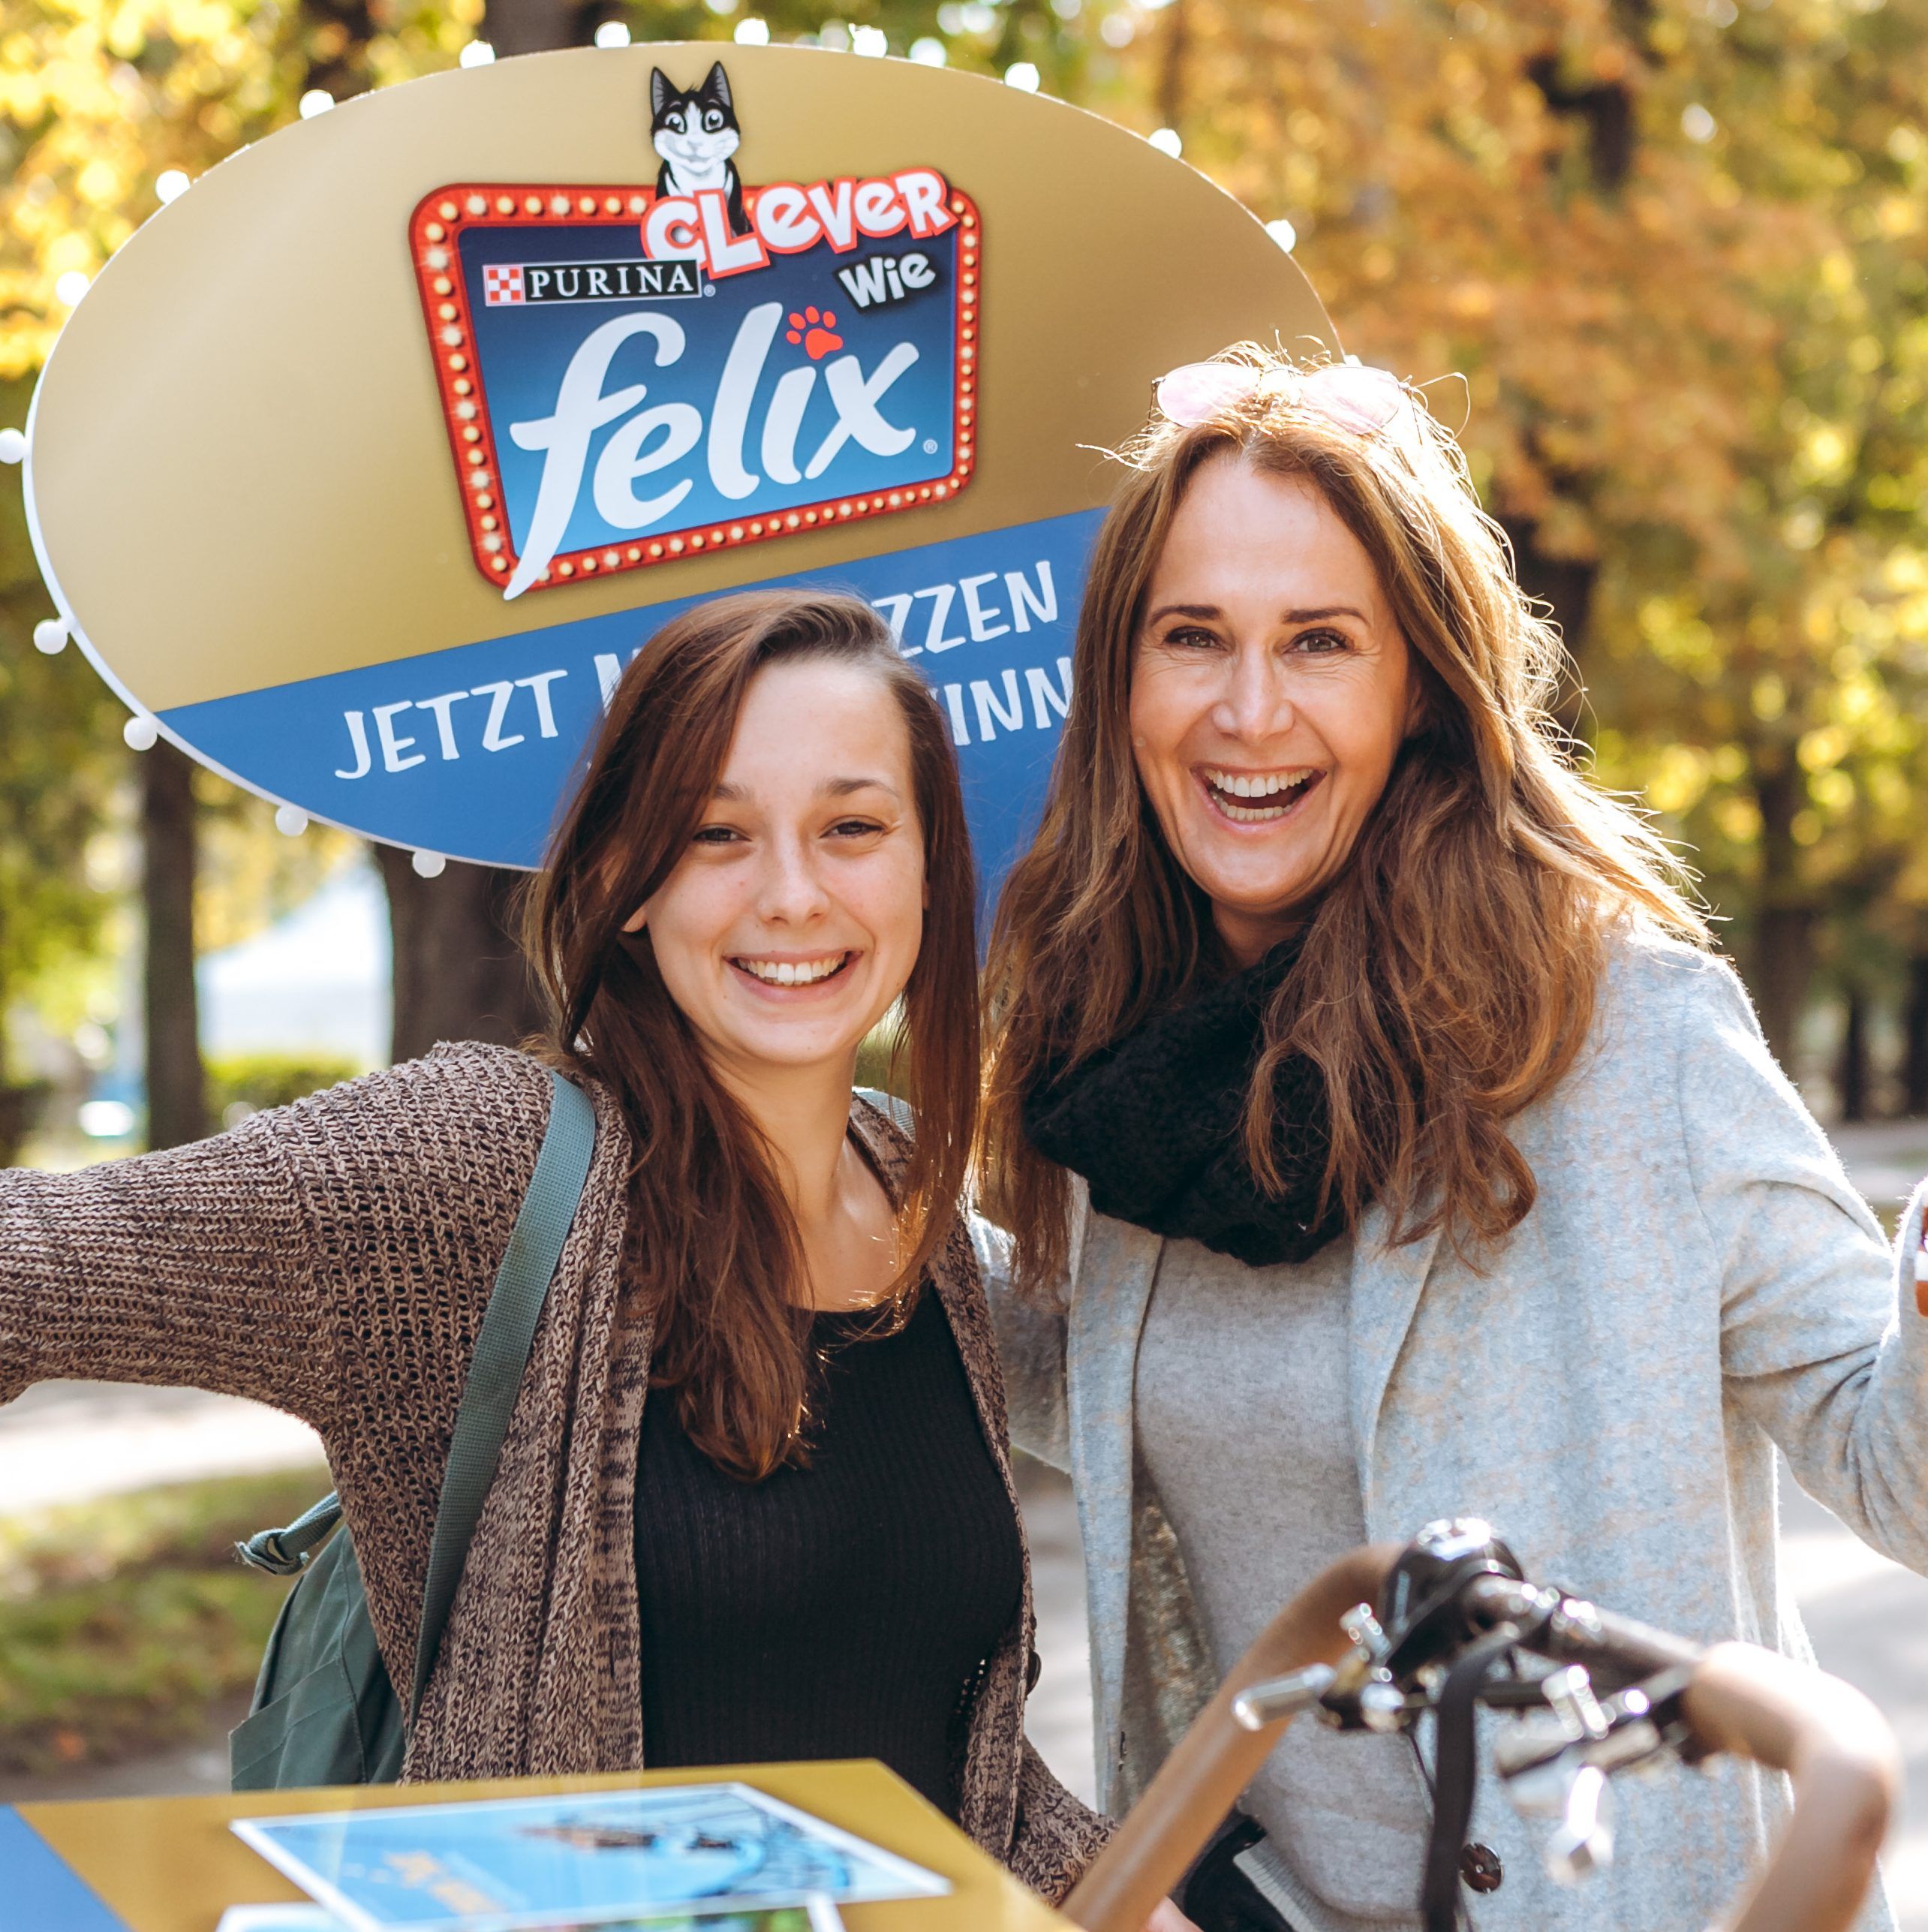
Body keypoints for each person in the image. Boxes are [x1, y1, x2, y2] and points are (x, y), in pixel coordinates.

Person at [975, 351, 1928, 1932]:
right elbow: (1050, 1367)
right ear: (1122, 682)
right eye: (1192, 637)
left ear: (1418, 684)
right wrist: (788, 1133)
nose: (1248, 709)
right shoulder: (1115, 1077)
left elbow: (1902, 1481)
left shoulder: (1630, 1035)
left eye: (1321, 643)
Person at [0, 589, 1108, 1903]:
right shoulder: (472, 1169)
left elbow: (937, 1756)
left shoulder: (909, 1195)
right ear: (624, 880)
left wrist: (1137, 1882)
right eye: (715, 833)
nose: (793, 893)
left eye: (852, 827)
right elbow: (32, 1266)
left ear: (929, 866)